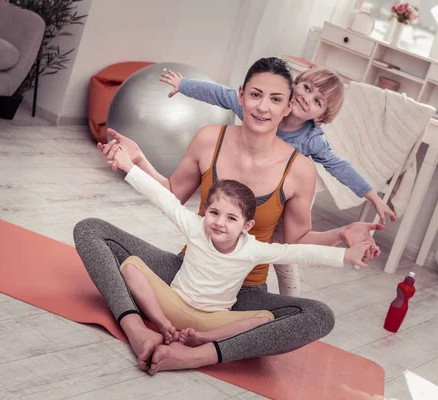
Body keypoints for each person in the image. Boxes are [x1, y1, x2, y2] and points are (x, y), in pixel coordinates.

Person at [74, 57, 383, 376]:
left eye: (275, 99)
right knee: (90, 230)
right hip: (186, 272)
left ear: (288, 106)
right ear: (240, 96)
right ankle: (137, 331)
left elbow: (297, 242)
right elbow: (171, 194)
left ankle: (197, 354)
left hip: (243, 292)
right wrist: (137, 160)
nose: (263, 107)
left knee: (319, 316)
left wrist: (342, 234)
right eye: (256, 95)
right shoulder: (210, 139)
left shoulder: (300, 170)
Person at [159, 66, 396, 296]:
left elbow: (339, 166)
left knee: (285, 260)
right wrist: (184, 85)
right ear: (294, 86)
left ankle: (287, 303)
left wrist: (372, 196)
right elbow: (220, 94)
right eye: (306, 88)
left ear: (322, 116)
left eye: (318, 101)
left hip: (281, 203)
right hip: (242, 195)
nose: (307, 98)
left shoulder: (311, 140)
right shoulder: (260, 108)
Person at [109, 145, 371, 349]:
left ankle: (201, 340)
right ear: (206, 211)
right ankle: (163, 326)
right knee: (130, 265)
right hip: (172, 304)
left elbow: (297, 251)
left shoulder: (253, 249)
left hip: (213, 322)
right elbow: (164, 199)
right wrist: (127, 166)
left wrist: (347, 254)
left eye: (231, 218)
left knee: (264, 318)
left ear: (247, 226)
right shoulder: (196, 226)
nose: (219, 223)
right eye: (214, 212)